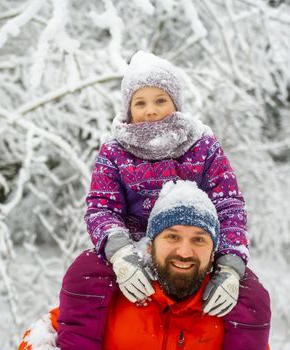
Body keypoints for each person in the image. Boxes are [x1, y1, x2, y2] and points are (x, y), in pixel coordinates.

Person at [57, 51, 271, 349]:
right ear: (128, 108)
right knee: (86, 271)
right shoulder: (115, 149)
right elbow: (101, 206)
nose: (151, 110)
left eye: (161, 100)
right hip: (135, 246)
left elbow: (228, 204)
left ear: (176, 104)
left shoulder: (202, 145)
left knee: (251, 293)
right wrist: (119, 253)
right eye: (140, 102)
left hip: (192, 240)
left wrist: (229, 266)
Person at [19, 181, 270, 349]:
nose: (185, 251)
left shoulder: (231, 314)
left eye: (199, 240)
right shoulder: (107, 297)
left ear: (214, 253)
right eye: (172, 236)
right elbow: (40, 334)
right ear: (150, 246)